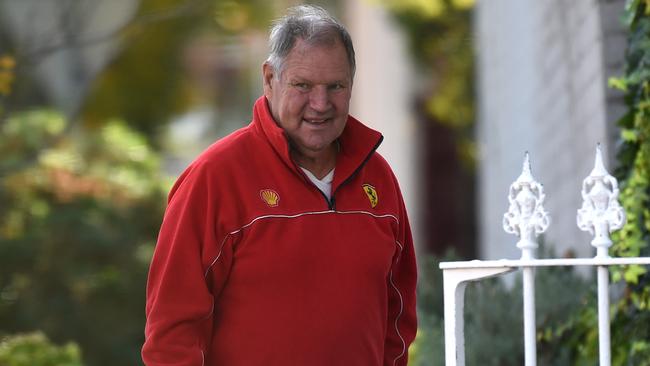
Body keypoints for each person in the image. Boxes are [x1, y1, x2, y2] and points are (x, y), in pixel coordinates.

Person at [142, 5, 417, 366]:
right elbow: (171, 334)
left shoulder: (378, 178)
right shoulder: (214, 178)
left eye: (335, 86)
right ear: (270, 79)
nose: (320, 104)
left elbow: (399, 316)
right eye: (302, 85)